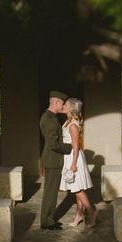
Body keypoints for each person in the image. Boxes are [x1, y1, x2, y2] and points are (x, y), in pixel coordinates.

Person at [59, 98, 99, 228]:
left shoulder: (73, 125)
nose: (63, 106)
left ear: (70, 108)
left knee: (76, 189)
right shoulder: (67, 122)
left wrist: (73, 164)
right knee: (77, 187)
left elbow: (76, 146)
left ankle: (91, 213)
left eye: (65, 105)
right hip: (69, 156)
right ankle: (79, 214)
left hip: (73, 157)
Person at [39, 91, 73, 230]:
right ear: (56, 102)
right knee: (50, 192)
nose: (63, 106)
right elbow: (53, 144)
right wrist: (71, 147)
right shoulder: (49, 119)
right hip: (52, 160)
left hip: (53, 160)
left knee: (51, 192)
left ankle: (49, 218)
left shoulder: (50, 117)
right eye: (62, 104)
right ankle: (47, 221)